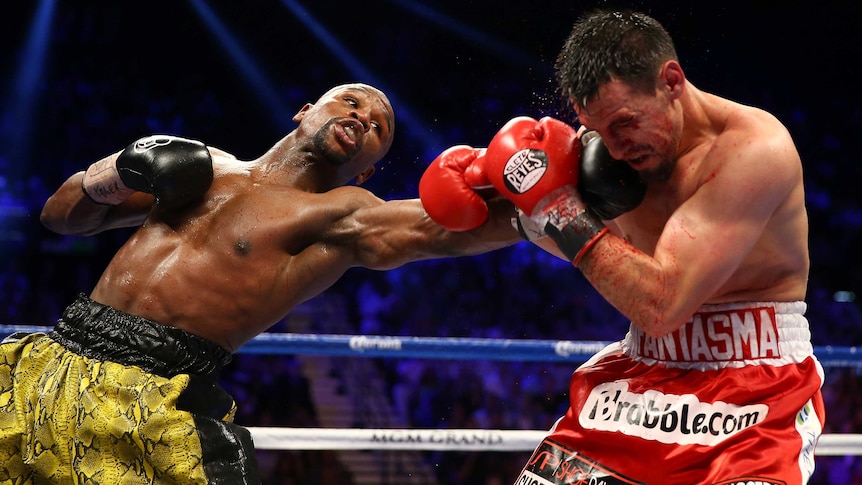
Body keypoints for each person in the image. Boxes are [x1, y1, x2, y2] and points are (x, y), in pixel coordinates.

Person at [0, 82, 521, 484]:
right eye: (351, 102)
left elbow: (438, 231)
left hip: (157, 396)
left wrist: (539, 201)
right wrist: (116, 172)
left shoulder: (340, 215)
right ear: (306, 110)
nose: (363, 118)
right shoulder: (203, 167)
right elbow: (61, 216)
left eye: (380, 129)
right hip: (52, 359)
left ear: (365, 174)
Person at [424, 9, 824, 485]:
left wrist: (554, 206)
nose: (613, 148)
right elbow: (588, 243)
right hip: (641, 379)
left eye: (625, 123)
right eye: (596, 129)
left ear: (671, 81)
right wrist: (505, 190)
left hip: (755, 389)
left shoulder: (753, 150)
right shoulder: (610, 150)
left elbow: (660, 303)